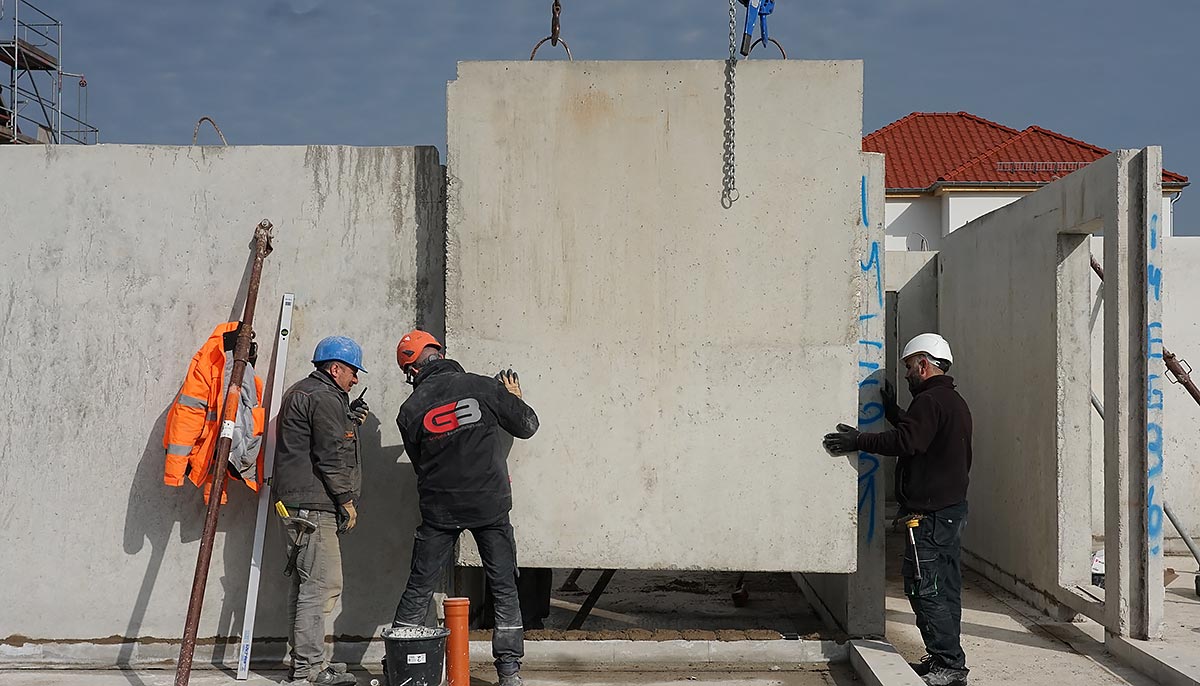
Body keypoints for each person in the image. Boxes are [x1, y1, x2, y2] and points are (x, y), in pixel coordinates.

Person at [390, 330, 539, 686]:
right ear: (439, 354)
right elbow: (528, 426)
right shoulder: (483, 386)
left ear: (412, 371)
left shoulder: (409, 411)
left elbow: (419, 462)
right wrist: (514, 399)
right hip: (489, 503)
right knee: (503, 586)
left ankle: (398, 668)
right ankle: (509, 672)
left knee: (419, 586)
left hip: (440, 510)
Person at [823, 333, 972, 686]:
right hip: (949, 512)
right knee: (945, 588)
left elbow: (908, 441)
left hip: (932, 517)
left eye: (909, 367)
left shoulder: (930, 403)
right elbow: (920, 434)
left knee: (926, 589)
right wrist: (892, 412)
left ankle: (949, 666)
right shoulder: (950, 401)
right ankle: (946, 659)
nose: (906, 375)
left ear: (924, 364)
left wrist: (859, 440)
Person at [273, 336, 371, 685]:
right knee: (322, 585)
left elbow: (320, 438)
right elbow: (329, 453)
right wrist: (345, 500)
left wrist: (348, 420)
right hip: (313, 505)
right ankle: (308, 670)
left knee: (305, 586)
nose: (355, 380)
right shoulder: (324, 396)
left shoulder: (309, 393)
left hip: (298, 502)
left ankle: (304, 664)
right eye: (352, 373)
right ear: (335, 368)